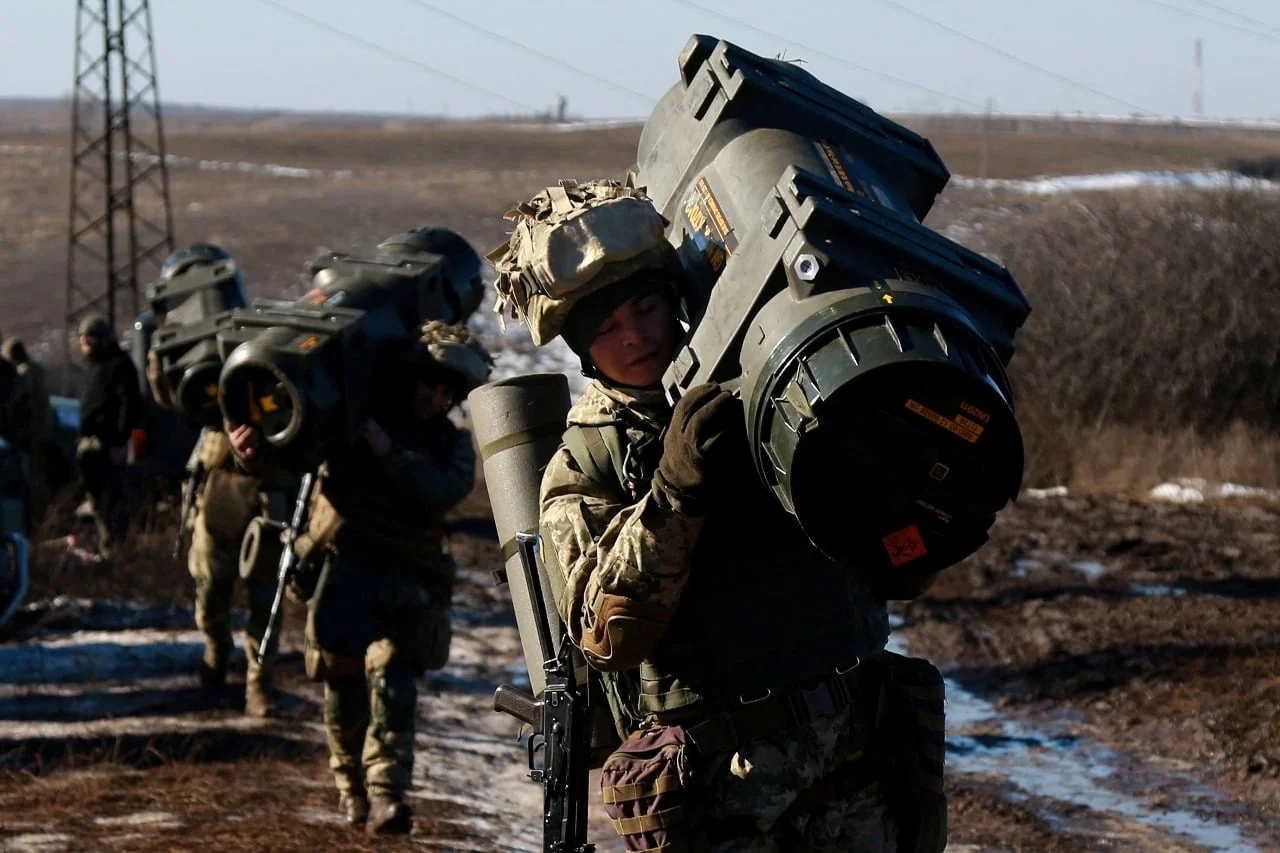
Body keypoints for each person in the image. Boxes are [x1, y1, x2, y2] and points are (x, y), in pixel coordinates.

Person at [490, 179, 946, 852]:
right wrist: (675, 492)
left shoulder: (767, 390)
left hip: (853, 768)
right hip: (728, 799)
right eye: (608, 329)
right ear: (585, 354)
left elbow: (889, 559)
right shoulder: (585, 463)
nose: (637, 336)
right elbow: (607, 632)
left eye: (646, 308)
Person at [228, 320, 493, 835]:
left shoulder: (451, 445)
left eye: (446, 391)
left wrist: (390, 453)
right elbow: (295, 460)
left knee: (395, 680)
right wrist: (253, 455)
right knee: (343, 685)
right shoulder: (352, 415)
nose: (434, 398)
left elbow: (441, 491)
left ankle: (387, 794)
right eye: (428, 384)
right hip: (342, 570)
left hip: (407, 576)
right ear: (411, 375)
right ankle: (350, 788)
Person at [76, 314, 142, 560]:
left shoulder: (118, 365)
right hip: (93, 443)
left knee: (110, 501)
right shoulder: (96, 366)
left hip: (107, 444)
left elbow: (128, 405)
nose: (83, 345)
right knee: (98, 500)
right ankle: (108, 549)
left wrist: (118, 440)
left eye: (88, 339)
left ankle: (116, 552)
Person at [2, 337, 53, 526]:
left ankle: (38, 517)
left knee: (32, 477)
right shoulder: (36, 370)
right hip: (41, 430)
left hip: (31, 433)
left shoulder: (24, 373)